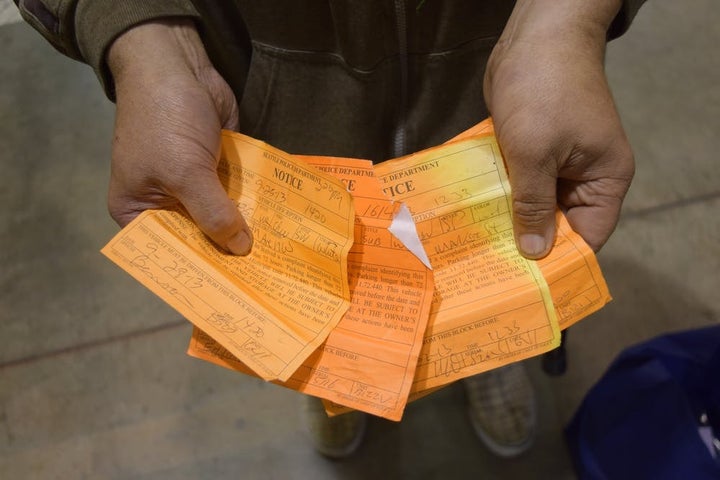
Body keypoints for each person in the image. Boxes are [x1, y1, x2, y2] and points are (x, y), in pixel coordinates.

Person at [16, 0, 643, 460]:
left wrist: (568, 18)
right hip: (278, 116)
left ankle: (488, 352)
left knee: (497, 270)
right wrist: (143, 39)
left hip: (497, 95)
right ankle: (332, 377)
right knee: (322, 300)